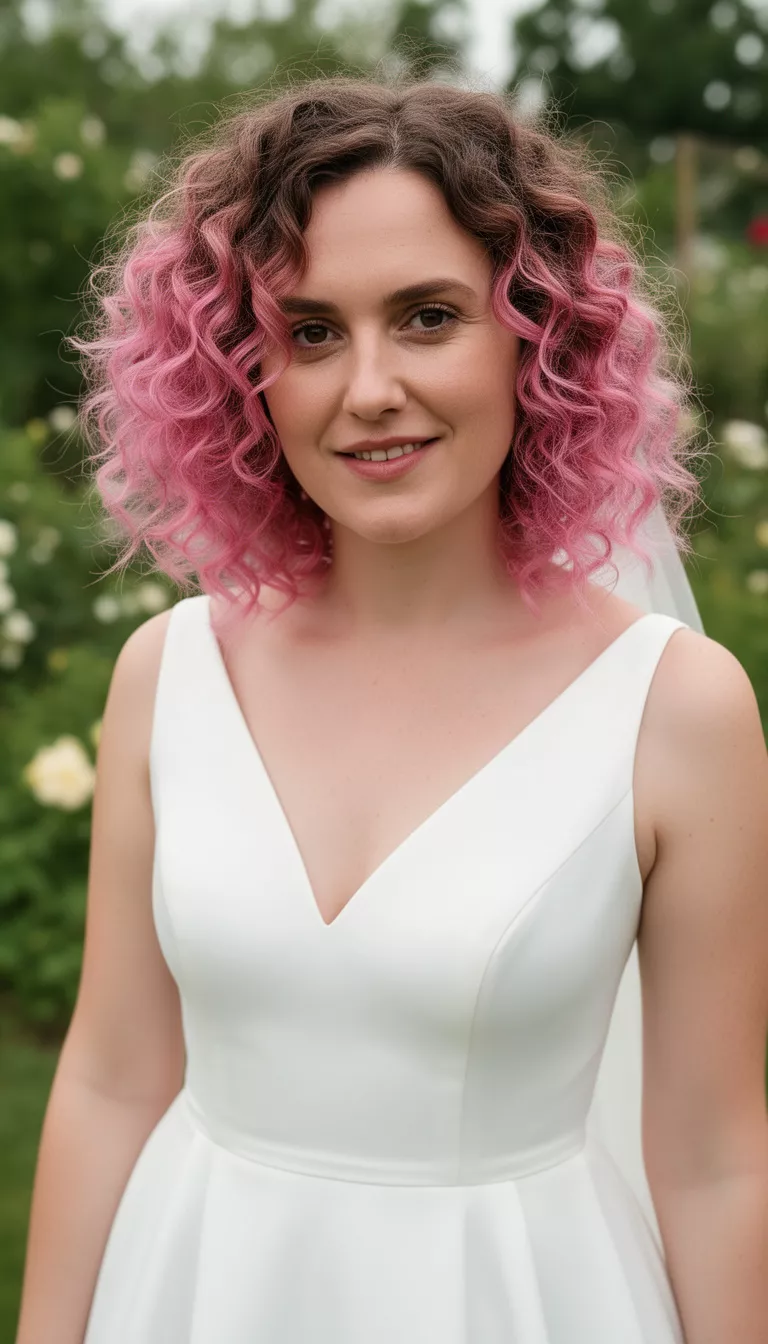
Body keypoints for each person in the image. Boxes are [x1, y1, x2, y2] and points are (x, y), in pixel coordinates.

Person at [15, 69, 768, 1344]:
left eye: (427, 318)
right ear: (239, 372)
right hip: (193, 1290)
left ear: (537, 342)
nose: (368, 388)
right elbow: (107, 1076)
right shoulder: (171, 673)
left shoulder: (674, 710)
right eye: (310, 331)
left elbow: (715, 1162)